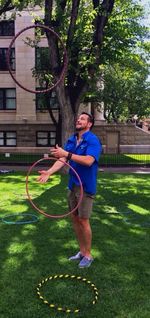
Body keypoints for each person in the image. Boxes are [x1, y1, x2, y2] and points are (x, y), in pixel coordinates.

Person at [37, 112, 102, 268]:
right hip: (72, 185)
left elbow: (88, 161)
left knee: (84, 220)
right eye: (78, 118)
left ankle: (88, 255)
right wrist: (49, 172)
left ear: (89, 124)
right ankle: (81, 251)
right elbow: (63, 159)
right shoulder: (72, 139)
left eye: (83, 119)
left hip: (85, 186)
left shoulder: (93, 140)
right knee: (74, 219)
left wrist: (66, 153)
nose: (78, 120)